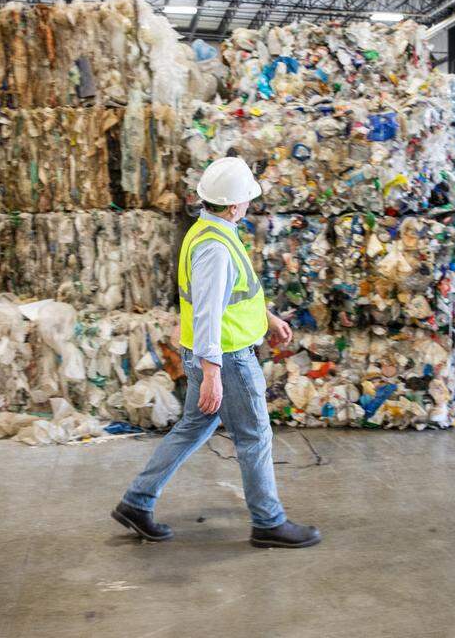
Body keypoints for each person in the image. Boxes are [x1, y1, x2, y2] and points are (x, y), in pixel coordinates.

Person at [112, 157, 322, 549]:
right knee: (254, 435)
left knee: (195, 426)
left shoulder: (209, 231)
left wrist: (268, 317)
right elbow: (208, 311)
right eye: (246, 199)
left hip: (210, 353)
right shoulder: (215, 246)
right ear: (235, 204)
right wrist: (212, 372)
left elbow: (231, 296)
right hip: (227, 358)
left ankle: (136, 502)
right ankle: (268, 522)